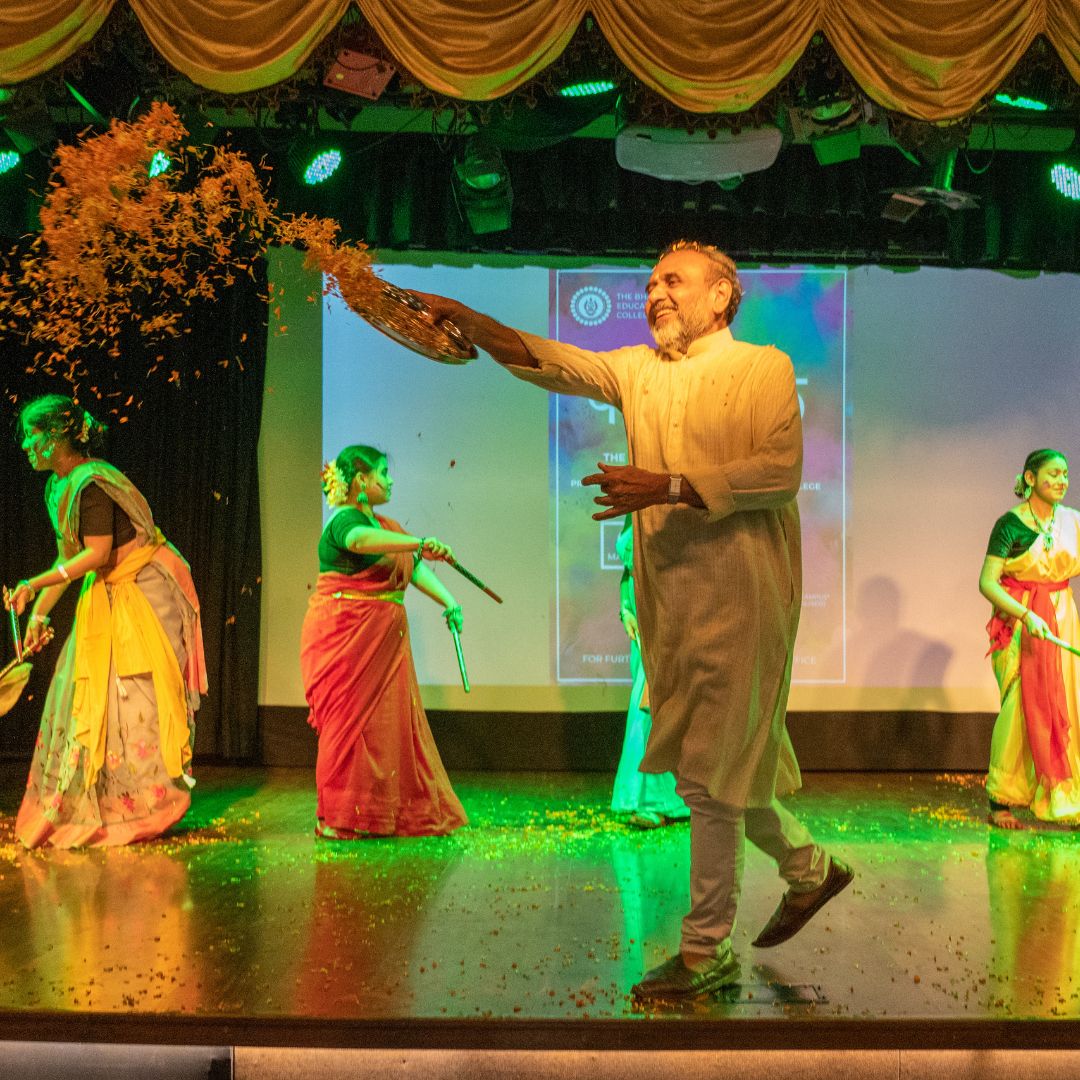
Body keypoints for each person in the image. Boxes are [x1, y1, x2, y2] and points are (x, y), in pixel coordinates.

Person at [415, 240, 852, 1000]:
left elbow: (779, 472)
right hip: (671, 601)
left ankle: (705, 950)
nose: (655, 293)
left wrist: (670, 486)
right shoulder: (638, 370)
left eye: (672, 281)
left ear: (721, 296)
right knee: (716, 766)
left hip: (743, 594)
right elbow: (553, 361)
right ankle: (810, 869)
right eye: (650, 284)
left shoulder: (764, 366)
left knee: (711, 777)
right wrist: (470, 320)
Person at [4, 394, 206, 848]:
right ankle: (109, 804)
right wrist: (38, 611)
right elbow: (68, 558)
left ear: (56, 436)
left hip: (142, 590)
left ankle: (149, 807)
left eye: (32, 435)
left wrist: (34, 584)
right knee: (88, 693)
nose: (26, 445)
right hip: (107, 590)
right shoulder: (59, 487)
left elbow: (96, 554)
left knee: (133, 693)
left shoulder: (92, 483)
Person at [299, 444, 468, 838]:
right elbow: (359, 541)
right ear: (361, 480)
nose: (390, 481)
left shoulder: (387, 528)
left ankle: (378, 814)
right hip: (346, 641)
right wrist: (417, 542)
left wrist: (450, 601)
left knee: (383, 730)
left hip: (383, 644)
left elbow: (412, 569)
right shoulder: (344, 521)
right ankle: (338, 817)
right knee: (349, 726)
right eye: (383, 473)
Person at [980, 449, 1080, 828]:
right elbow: (987, 582)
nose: (1061, 481)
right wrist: (1026, 615)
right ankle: (1002, 798)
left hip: (1062, 619)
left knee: (1064, 704)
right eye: (1053, 474)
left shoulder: (1072, 521)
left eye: (1065, 474)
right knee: (1020, 708)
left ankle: (1062, 796)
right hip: (1022, 622)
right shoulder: (1010, 525)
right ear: (1030, 478)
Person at [611, 515, 689, 828]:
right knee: (646, 704)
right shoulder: (633, 509)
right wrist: (625, 609)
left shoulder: (668, 506)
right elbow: (627, 570)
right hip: (639, 620)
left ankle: (659, 800)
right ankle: (659, 798)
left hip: (663, 615)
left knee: (652, 707)